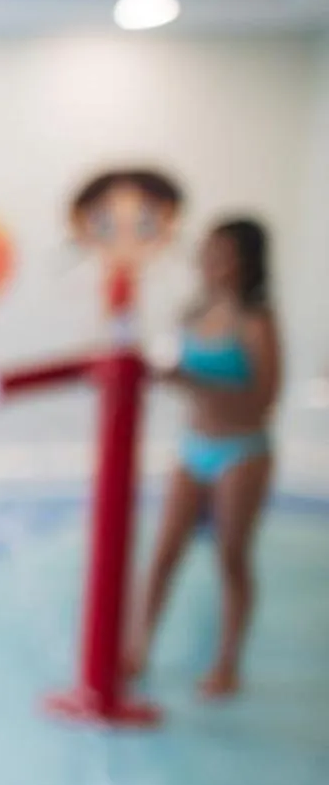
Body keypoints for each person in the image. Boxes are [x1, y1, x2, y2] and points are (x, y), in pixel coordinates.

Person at [128, 218, 283, 697]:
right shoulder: (193, 314)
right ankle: (138, 647)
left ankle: (227, 663)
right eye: (208, 251)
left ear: (247, 261)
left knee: (231, 558)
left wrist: (190, 383)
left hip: (242, 450)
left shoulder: (257, 322)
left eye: (224, 253)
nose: (212, 262)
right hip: (194, 446)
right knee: (163, 553)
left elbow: (261, 401)